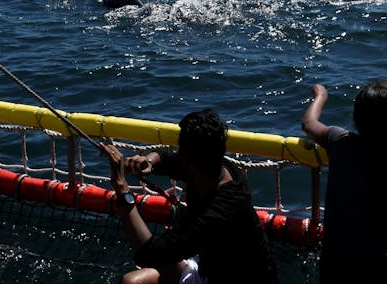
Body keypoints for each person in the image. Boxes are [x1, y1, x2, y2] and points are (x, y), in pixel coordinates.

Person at [100, 108, 278, 283]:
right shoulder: (214, 167)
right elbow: (167, 159)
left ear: (189, 161)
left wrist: (123, 190)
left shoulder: (219, 214)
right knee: (131, 281)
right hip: (210, 270)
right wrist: (149, 161)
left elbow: (149, 254)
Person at [301, 80, 387, 283]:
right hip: (383, 269)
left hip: (336, 267)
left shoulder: (339, 142)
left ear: (355, 117)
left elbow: (308, 124)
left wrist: (321, 95)